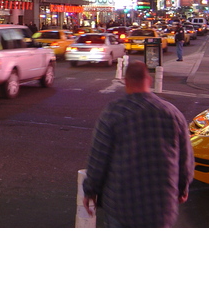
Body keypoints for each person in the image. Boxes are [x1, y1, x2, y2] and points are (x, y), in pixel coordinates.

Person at [82, 61, 194, 228]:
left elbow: (98, 157)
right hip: (160, 206)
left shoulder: (113, 112)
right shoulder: (172, 113)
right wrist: (183, 186)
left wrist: (90, 190)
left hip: (122, 205)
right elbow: (185, 158)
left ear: (126, 82)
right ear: (148, 80)